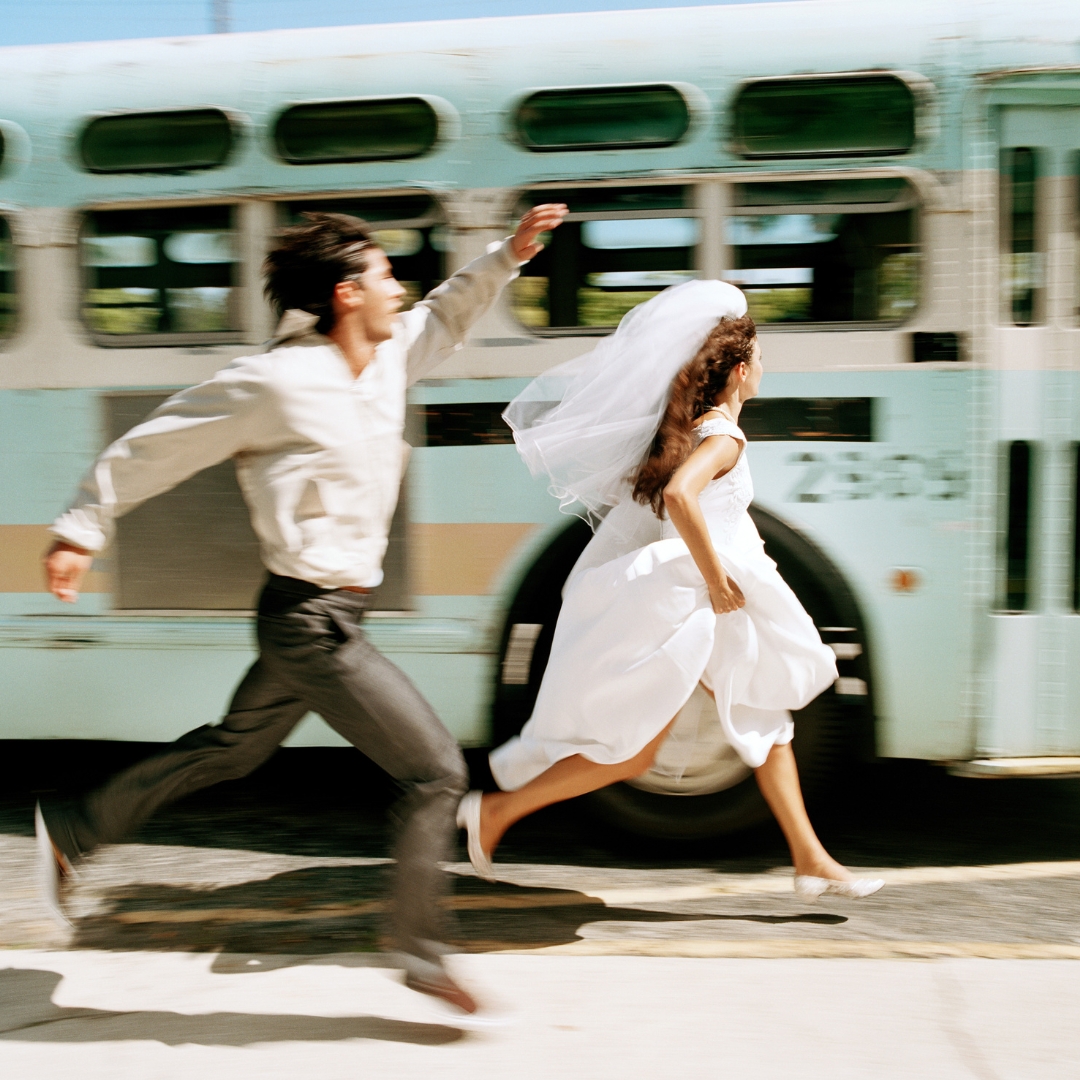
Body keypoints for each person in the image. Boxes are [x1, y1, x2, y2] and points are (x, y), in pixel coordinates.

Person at [36, 204, 568, 1017]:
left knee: (231, 752)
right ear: (347, 293)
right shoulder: (277, 381)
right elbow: (160, 439)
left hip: (334, 615)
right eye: (387, 274)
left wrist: (510, 254)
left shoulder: (387, 360)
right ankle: (418, 949)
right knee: (435, 774)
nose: (401, 289)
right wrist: (82, 528)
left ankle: (74, 830)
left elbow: (449, 311)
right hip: (307, 620)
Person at [457, 280, 883, 901]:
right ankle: (494, 813)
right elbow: (682, 497)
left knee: (764, 720)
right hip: (703, 601)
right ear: (739, 370)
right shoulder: (724, 438)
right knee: (646, 750)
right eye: (760, 358)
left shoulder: (692, 425)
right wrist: (716, 580)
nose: (765, 368)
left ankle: (810, 858)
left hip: (698, 601)